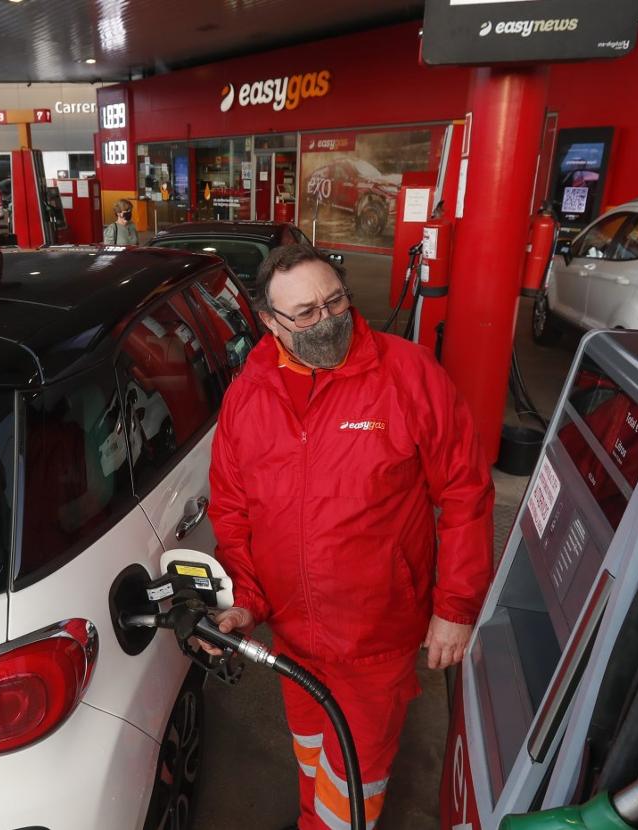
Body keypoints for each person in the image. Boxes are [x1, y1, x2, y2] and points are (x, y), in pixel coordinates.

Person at [205, 244, 494, 830]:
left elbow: (465, 491)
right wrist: (245, 606)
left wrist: (456, 607)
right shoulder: (249, 394)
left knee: (354, 780)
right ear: (268, 322)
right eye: (305, 313)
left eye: (335, 301)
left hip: (374, 638)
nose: (328, 320)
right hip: (292, 637)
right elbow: (235, 515)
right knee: (311, 754)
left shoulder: (408, 373)